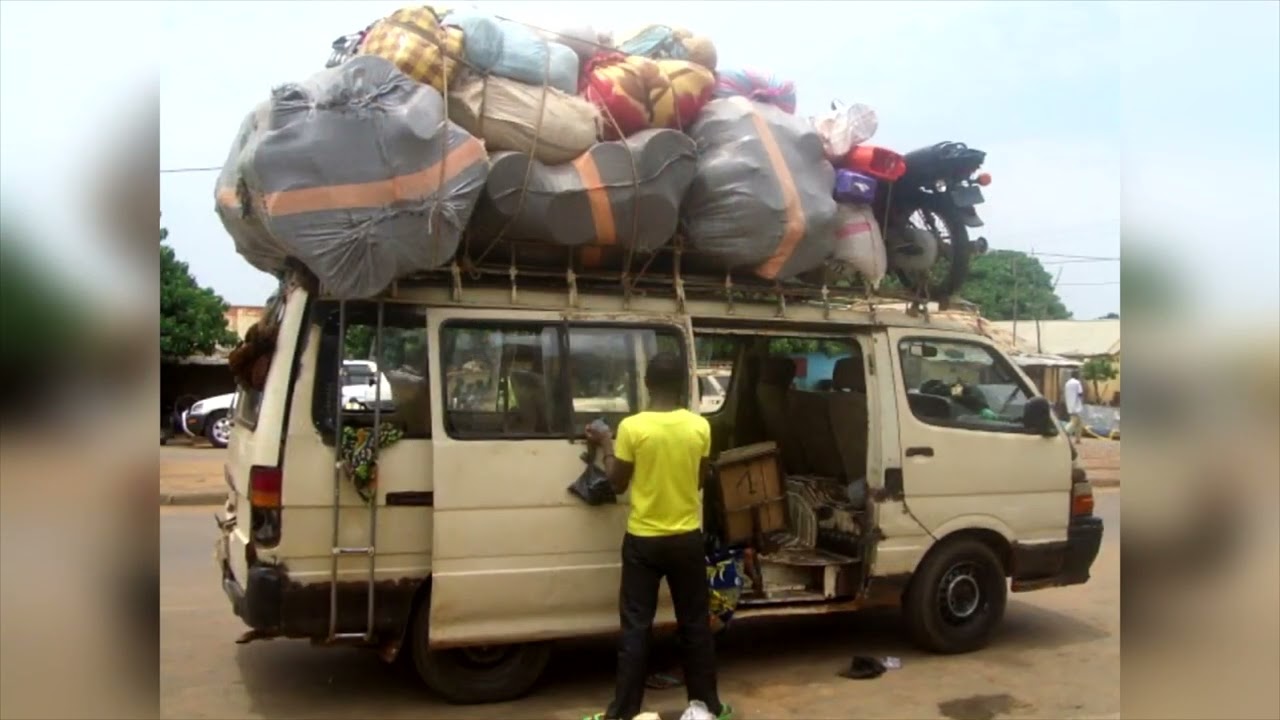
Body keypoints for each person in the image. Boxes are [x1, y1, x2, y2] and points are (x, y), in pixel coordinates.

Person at [583, 352, 732, 720]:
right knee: (696, 626)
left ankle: (622, 713)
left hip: (643, 541)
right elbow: (699, 480)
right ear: (683, 385)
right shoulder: (700, 427)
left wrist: (605, 444)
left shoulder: (633, 428)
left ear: (647, 384)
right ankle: (707, 707)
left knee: (635, 629)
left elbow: (616, 483)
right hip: (686, 538)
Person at [1064, 370, 1085, 440]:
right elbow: (1080, 393)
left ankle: (1078, 439)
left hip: (1069, 405)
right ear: (1077, 375)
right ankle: (1065, 432)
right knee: (1074, 422)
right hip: (1076, 406)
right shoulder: (1077, 383)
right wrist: (1082, 400)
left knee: (1079, 423)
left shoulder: (1067, 383)